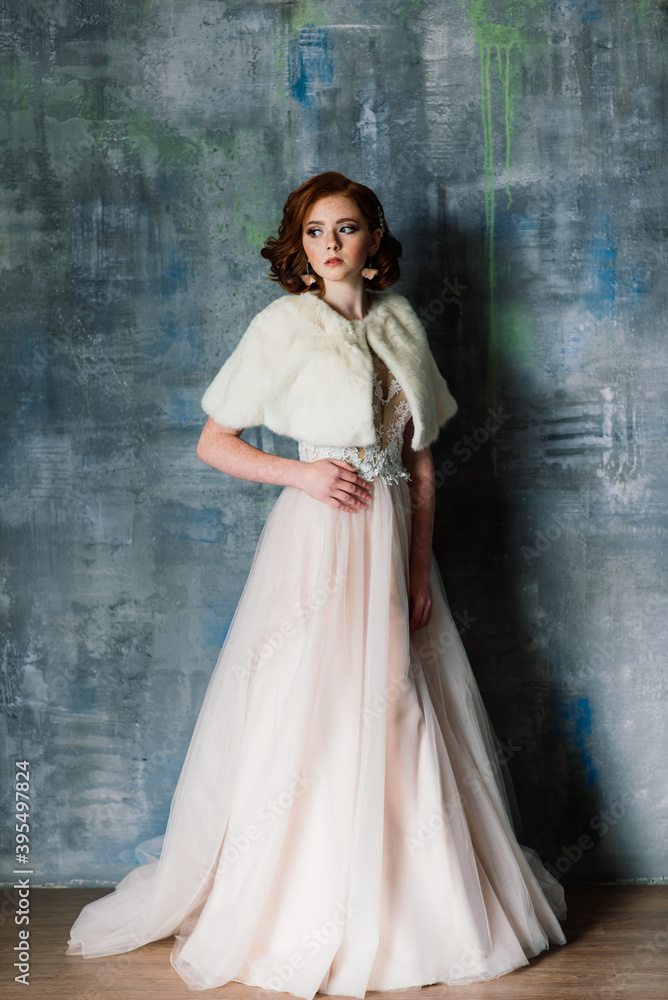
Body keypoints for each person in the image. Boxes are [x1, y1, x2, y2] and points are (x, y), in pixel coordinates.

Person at [66, 171, 567, 998]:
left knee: (403, 703)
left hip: (394, 542)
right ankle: (303, 903)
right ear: (299, 250)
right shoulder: (283, 327)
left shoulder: (402, 324)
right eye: (313, 233)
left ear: (374, 241)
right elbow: (214, 442)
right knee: (319, 707)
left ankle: (415, 903)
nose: (330, 246)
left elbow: (422, 461)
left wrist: (416, 573)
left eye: (345, 229)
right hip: (321, 543)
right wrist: (300, 478)